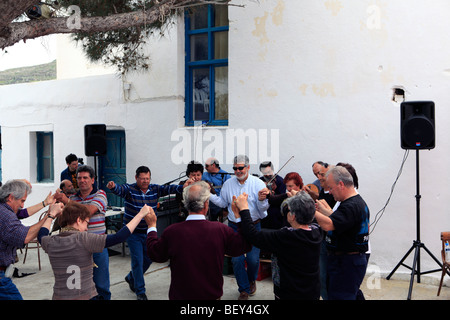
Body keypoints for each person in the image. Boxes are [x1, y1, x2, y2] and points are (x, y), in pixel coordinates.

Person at [146, 181, 251, 300]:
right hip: (211, 296)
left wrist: (151, 226)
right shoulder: (220, 230)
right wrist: (239, 216)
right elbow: (244, 245)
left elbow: (155, 254)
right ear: (206, 204)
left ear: (185, 204)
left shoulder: (172, 232)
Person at [106, 165, 191, 300]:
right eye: (142, 179)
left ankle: (131, 277)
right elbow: (119, 190)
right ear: (136, 178)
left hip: (149, 232)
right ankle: (140, 291)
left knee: (150, 258)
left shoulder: (155, 189)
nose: (145, 181)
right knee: (138, 261)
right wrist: (112, 186)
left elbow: (168, 189)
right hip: (133, 233)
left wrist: (183, 187)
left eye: (147, 178)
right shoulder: (130, 189)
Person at [39, 201, 151, 300]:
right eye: (86, 223)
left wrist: (51, 215)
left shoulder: (51, 242)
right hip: (85, 296)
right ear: (78, 220)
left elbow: (41, 235)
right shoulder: (84, 239)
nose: (87, 228)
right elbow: (119, 237)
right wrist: (140, 214)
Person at [232, 191, 322, 300]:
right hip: (312, 292)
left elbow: (253, 235)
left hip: (289, 293)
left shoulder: (286, 236)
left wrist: (244, 209)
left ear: (292, 216)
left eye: (287, 210)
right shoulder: (317, 231)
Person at [209, 155, 269, 300]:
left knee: (254, 260)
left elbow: (263, 210)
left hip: (253, 226)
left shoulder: (258, 183)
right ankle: (244, 289)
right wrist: (208, 195)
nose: (238, 171)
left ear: (248, 167)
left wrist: (262, 200)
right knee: (237, 260)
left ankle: (251, 280)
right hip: (234, 226)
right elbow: (223, 203)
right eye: (235, 168)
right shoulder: (228, 184)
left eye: (240, 168)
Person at [314, 166, 370, 300]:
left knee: (342, 296)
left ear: (341, 184)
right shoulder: (350, 203)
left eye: (331, 188)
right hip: (344, 261)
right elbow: (338, 220)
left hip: (347, 264)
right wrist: (323, 209)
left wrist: (307, 209)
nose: (330, 192)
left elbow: (328, 225)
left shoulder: (351, 206)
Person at [56, 165, 110, 299]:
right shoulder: (73, 198)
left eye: (85, 177)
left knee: (101, 285)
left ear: (92, 180)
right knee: (79, 285)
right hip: (77, 247)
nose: (82, 180)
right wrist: (58, 208)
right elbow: (64, 221)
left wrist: (67, 202)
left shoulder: (100, 194)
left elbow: (88, 211)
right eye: (79, 178)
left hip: (97, 245)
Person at [0, 180, 55, 300]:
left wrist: (45, 203)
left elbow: (23, 213)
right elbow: (25, 237)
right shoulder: (5, 215)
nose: (22, 205)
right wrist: (49, 216)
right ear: (10, 197)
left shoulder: (5, 209)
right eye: (22, 201)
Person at [258, 161, 286, 229]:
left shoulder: (280, 181)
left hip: (276, 216)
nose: (267, 175)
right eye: (264, 173)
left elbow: (282, 199)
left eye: (268, 172)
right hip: (263, 216)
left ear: (272, 170)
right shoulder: (259, 181)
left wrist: (272, 193)